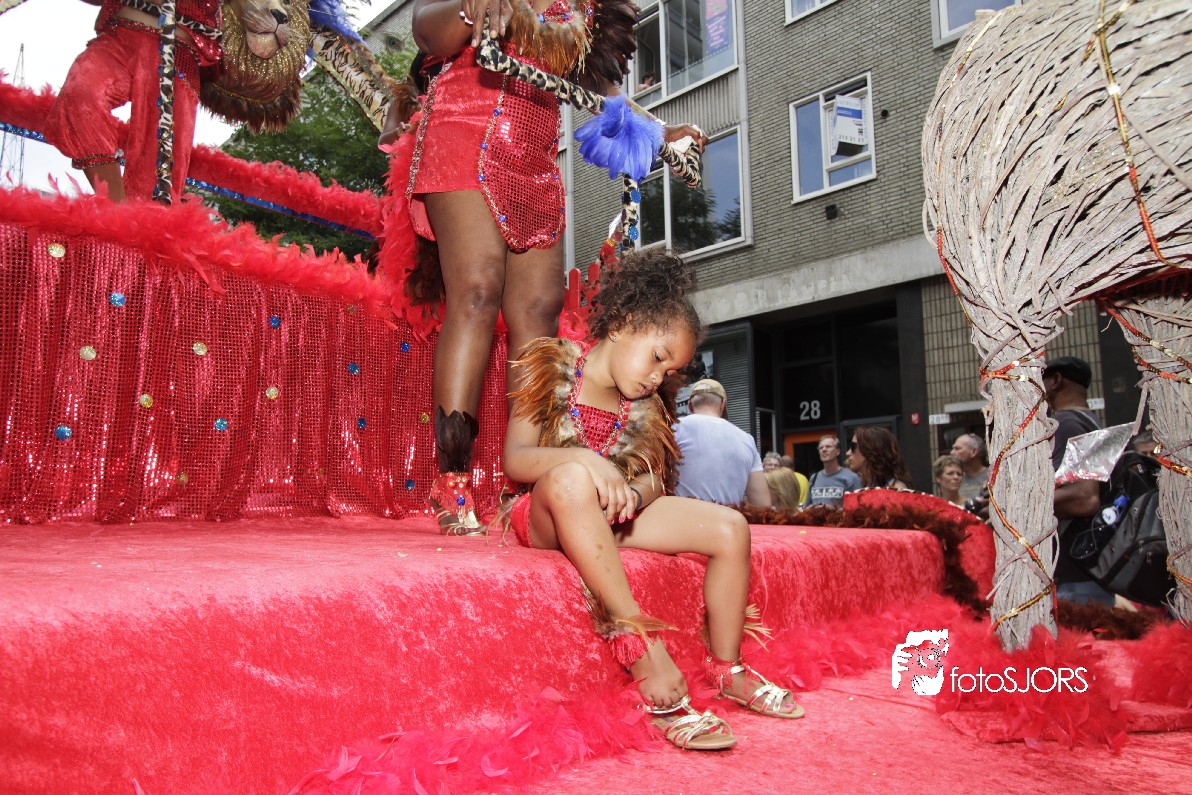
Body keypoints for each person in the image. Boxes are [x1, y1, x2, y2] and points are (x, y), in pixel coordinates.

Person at [404, 0, 708, 534]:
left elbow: (603, 93)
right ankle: (453, 482)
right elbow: (428, 33)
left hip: (534, 161)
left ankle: (522, 480)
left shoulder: (587, 10)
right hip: (464, 131)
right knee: (477, 289)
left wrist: (659, 131)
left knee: (540, 313)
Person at [501, 250, 802, 751]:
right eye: (658, 357)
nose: (659, 377)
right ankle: (642, 650)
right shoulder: (552, 367)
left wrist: (635, 493)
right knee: (572, 480)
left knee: (730, 528)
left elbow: (656, 480)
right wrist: (587, 463)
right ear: (622, 324)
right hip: (548, 512)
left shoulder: (645, 404)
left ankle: (727, 667)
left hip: (611, 518)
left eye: (671, 370)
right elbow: (516, 460)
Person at [44, 0, 223, 202]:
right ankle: (116, 212)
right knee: (80, 96)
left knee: (156, 187)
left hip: (177, 57)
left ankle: (125, 219)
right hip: (119, 36)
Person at [1042, 356, 1112, 606]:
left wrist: (1017, 506)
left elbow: (1085, 497)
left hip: (1074, 577)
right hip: (1092, 571)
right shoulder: (1091, 421)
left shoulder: (1066, 423)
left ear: (1056, 380)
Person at [674, 381, 771, 507]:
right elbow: (762, 504)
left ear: (690, 406)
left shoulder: (673, 429)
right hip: (728, 518)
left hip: (681, 517)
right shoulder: (747, 439)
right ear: (722, 405)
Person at [846, 426, 912, 491]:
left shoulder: (896, 489)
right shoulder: (860, 485)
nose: (847, 453)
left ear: (869, 450)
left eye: (853, 447)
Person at [805, 435, 861, 507]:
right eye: (821, 448)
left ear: (838, 451)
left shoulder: (851, 478)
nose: (824, 450)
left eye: (828, 446)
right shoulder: (814, 478)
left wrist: (834, 510)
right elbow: (807, 507)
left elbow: (857, 508)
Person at [949, 433, 989, 502]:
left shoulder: (991, 476)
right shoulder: (954, 478)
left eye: (957, 449)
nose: (951, 452)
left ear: (973, 451)